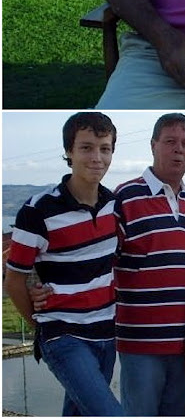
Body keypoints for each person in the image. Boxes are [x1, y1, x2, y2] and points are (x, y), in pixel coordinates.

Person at [5, 112, 123, 417]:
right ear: (68, 152)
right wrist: (43, 329)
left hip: (105, 335)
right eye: (86, 148)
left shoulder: (113, 206)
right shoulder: (37, 210)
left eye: (105, 148)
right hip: (64, 338)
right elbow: (14, 280)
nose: (97, 157)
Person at [113, 113, 185, 416]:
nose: (179, 149)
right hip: (140, 346)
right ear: (153, 145)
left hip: (184, 345)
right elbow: (103, 266)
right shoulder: (124, 197)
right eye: (170, 141)